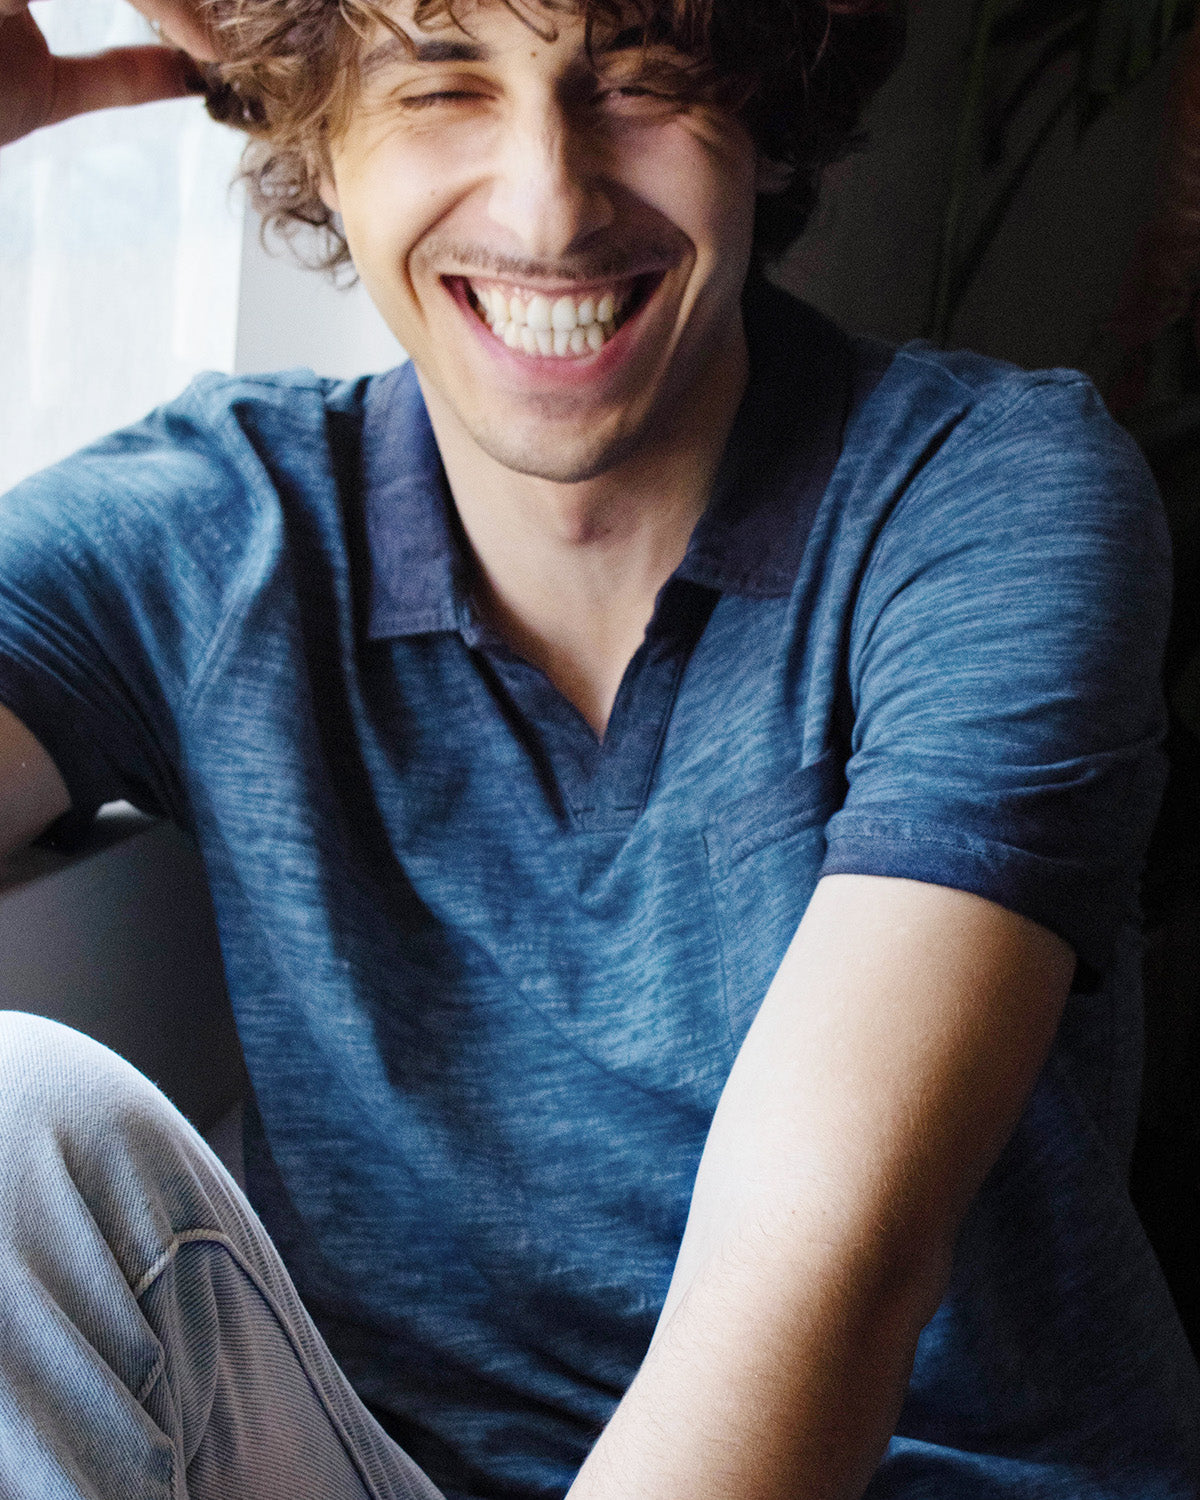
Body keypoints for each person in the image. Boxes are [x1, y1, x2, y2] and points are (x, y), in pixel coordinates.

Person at [0, 0, 1198, 1496]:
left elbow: (834, 1266)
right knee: (18, 1125)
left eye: (641, 79)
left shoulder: (984, 502)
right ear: (317, 130)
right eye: (439, 85)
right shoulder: (217, 528)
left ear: (766, 109)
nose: (549, 207)